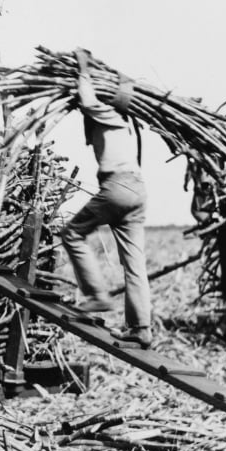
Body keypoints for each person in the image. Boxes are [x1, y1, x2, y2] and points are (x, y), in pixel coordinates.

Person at [62, 50, 153, 348]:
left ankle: (96, 295)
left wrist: (83, 70)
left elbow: (87, 101)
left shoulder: (110, 113)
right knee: (134, 263)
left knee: (72, 233)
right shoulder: (127, 124)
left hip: (118, 186)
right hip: (137, 191)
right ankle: (141, 329)